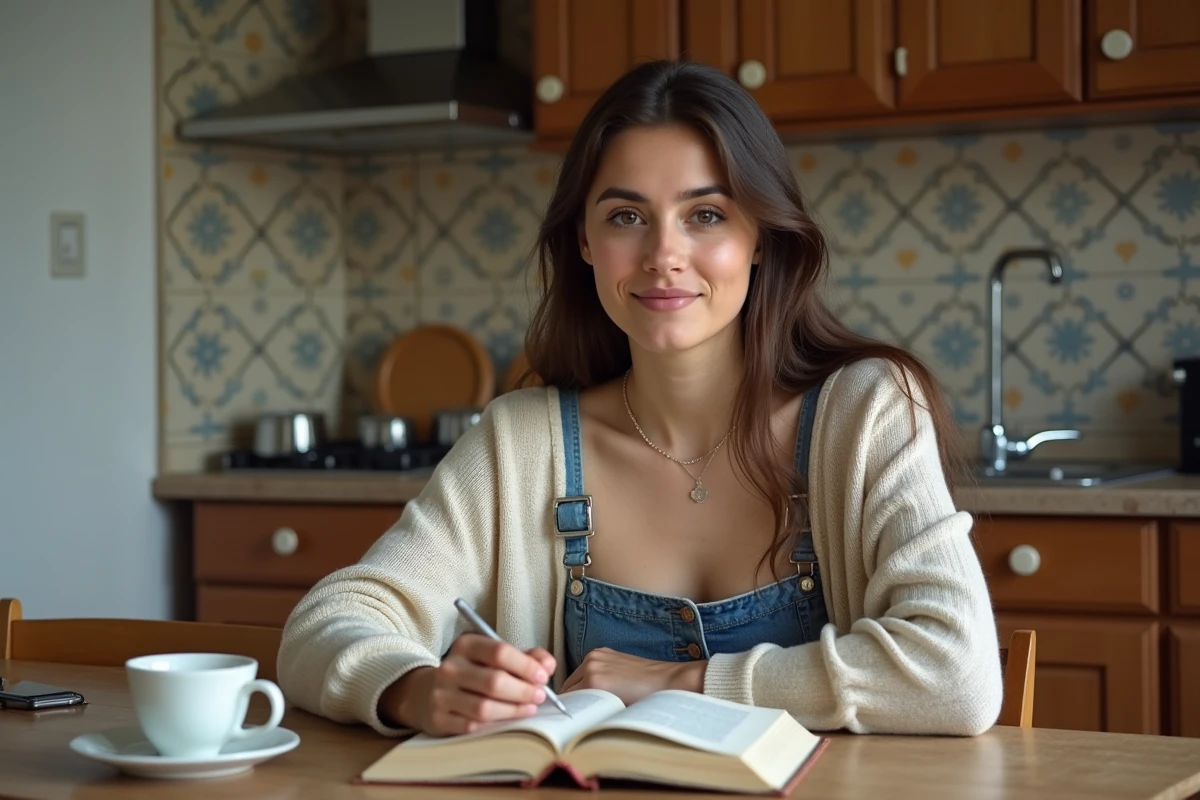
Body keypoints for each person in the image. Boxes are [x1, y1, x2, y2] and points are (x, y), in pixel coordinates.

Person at [277, 60, 1003, 739]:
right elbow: (328, 623)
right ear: (586, 241)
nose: (663, 254)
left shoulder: (865, 410)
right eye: (626, 216)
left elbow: (956, 675)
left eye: (707, 215)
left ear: (760, 237)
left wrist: (681, 681)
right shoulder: (520, 442)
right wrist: (412, 688)